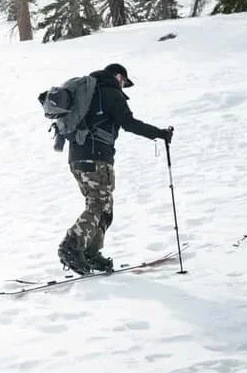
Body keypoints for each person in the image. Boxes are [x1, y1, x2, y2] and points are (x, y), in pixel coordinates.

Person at [58, 64, 173, 276]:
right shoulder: (110, 93)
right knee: (99, 203)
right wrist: (159, 134)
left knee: (104, 207)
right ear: (118, 76)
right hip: (97, 158)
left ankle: (91, 253)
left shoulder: (86, 93)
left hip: (77, 159)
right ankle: (71, 246)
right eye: (124, 82)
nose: (123, 87)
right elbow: (128, 123)